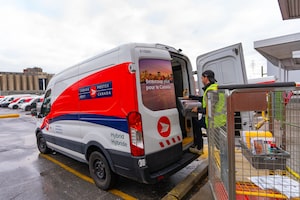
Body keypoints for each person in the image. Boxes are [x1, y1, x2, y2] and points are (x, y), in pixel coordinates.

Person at [189, 70, 219, 155]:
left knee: (219, 144)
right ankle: (199, 147)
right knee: (197, 123)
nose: (201, 80)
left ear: (206, 77)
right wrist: (190, 97)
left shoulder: (211, 90)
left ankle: (199, 148)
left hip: (214, 120)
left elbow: (210, 108)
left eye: (202, 78)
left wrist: (197, 110)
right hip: (214, 119)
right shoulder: (213, 88)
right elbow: (203, 99)